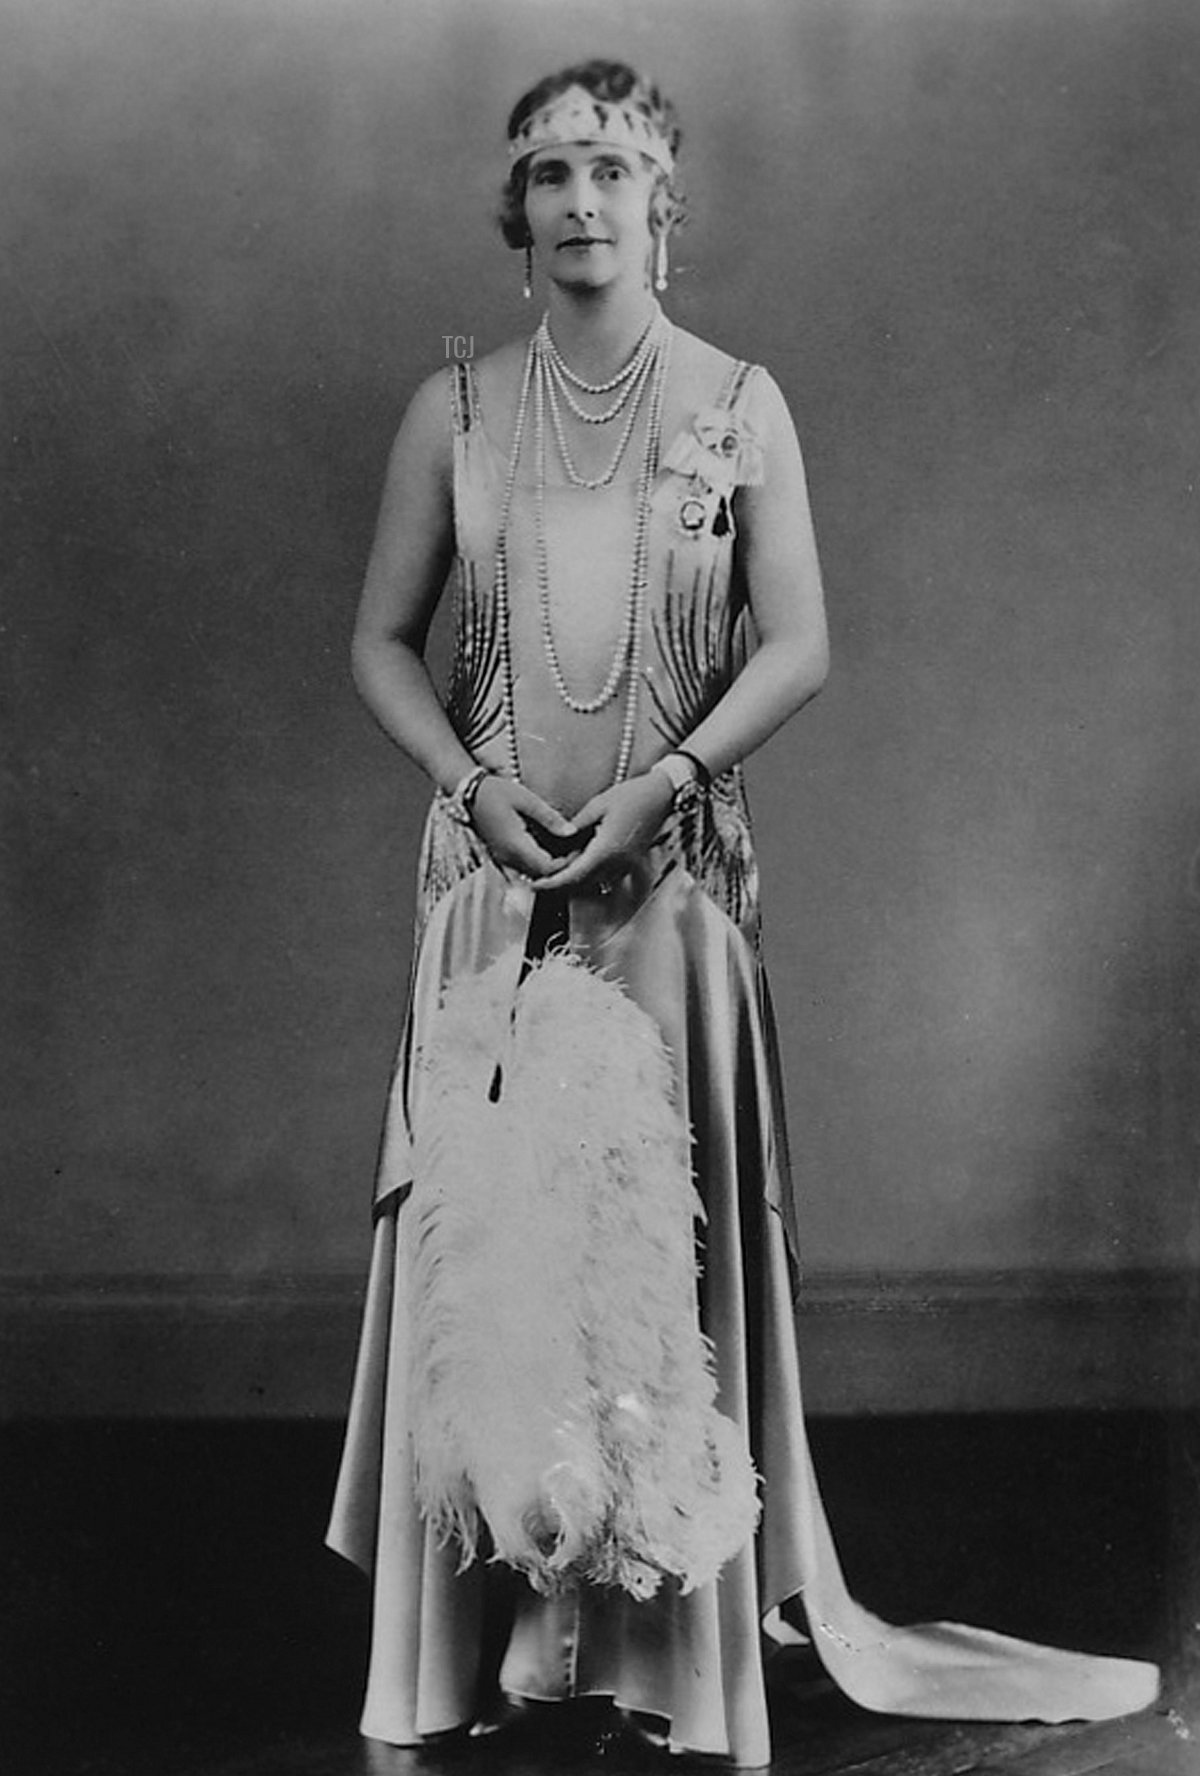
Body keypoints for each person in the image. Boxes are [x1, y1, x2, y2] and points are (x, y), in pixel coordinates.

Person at [327, 59, 1158, 1768]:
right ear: (516, 209)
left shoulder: (736, 404)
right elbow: (377, 640)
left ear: (664, 204)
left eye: (613, 173)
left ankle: (663, 1664)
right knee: (496, 1261)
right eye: (550, 174)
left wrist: (667, 782)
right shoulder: (458, 411)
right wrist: (475, 791)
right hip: (495, 895)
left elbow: (801, 641)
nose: (581, 204)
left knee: (656, 1269)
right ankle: (496, 1650)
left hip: (671, 899)